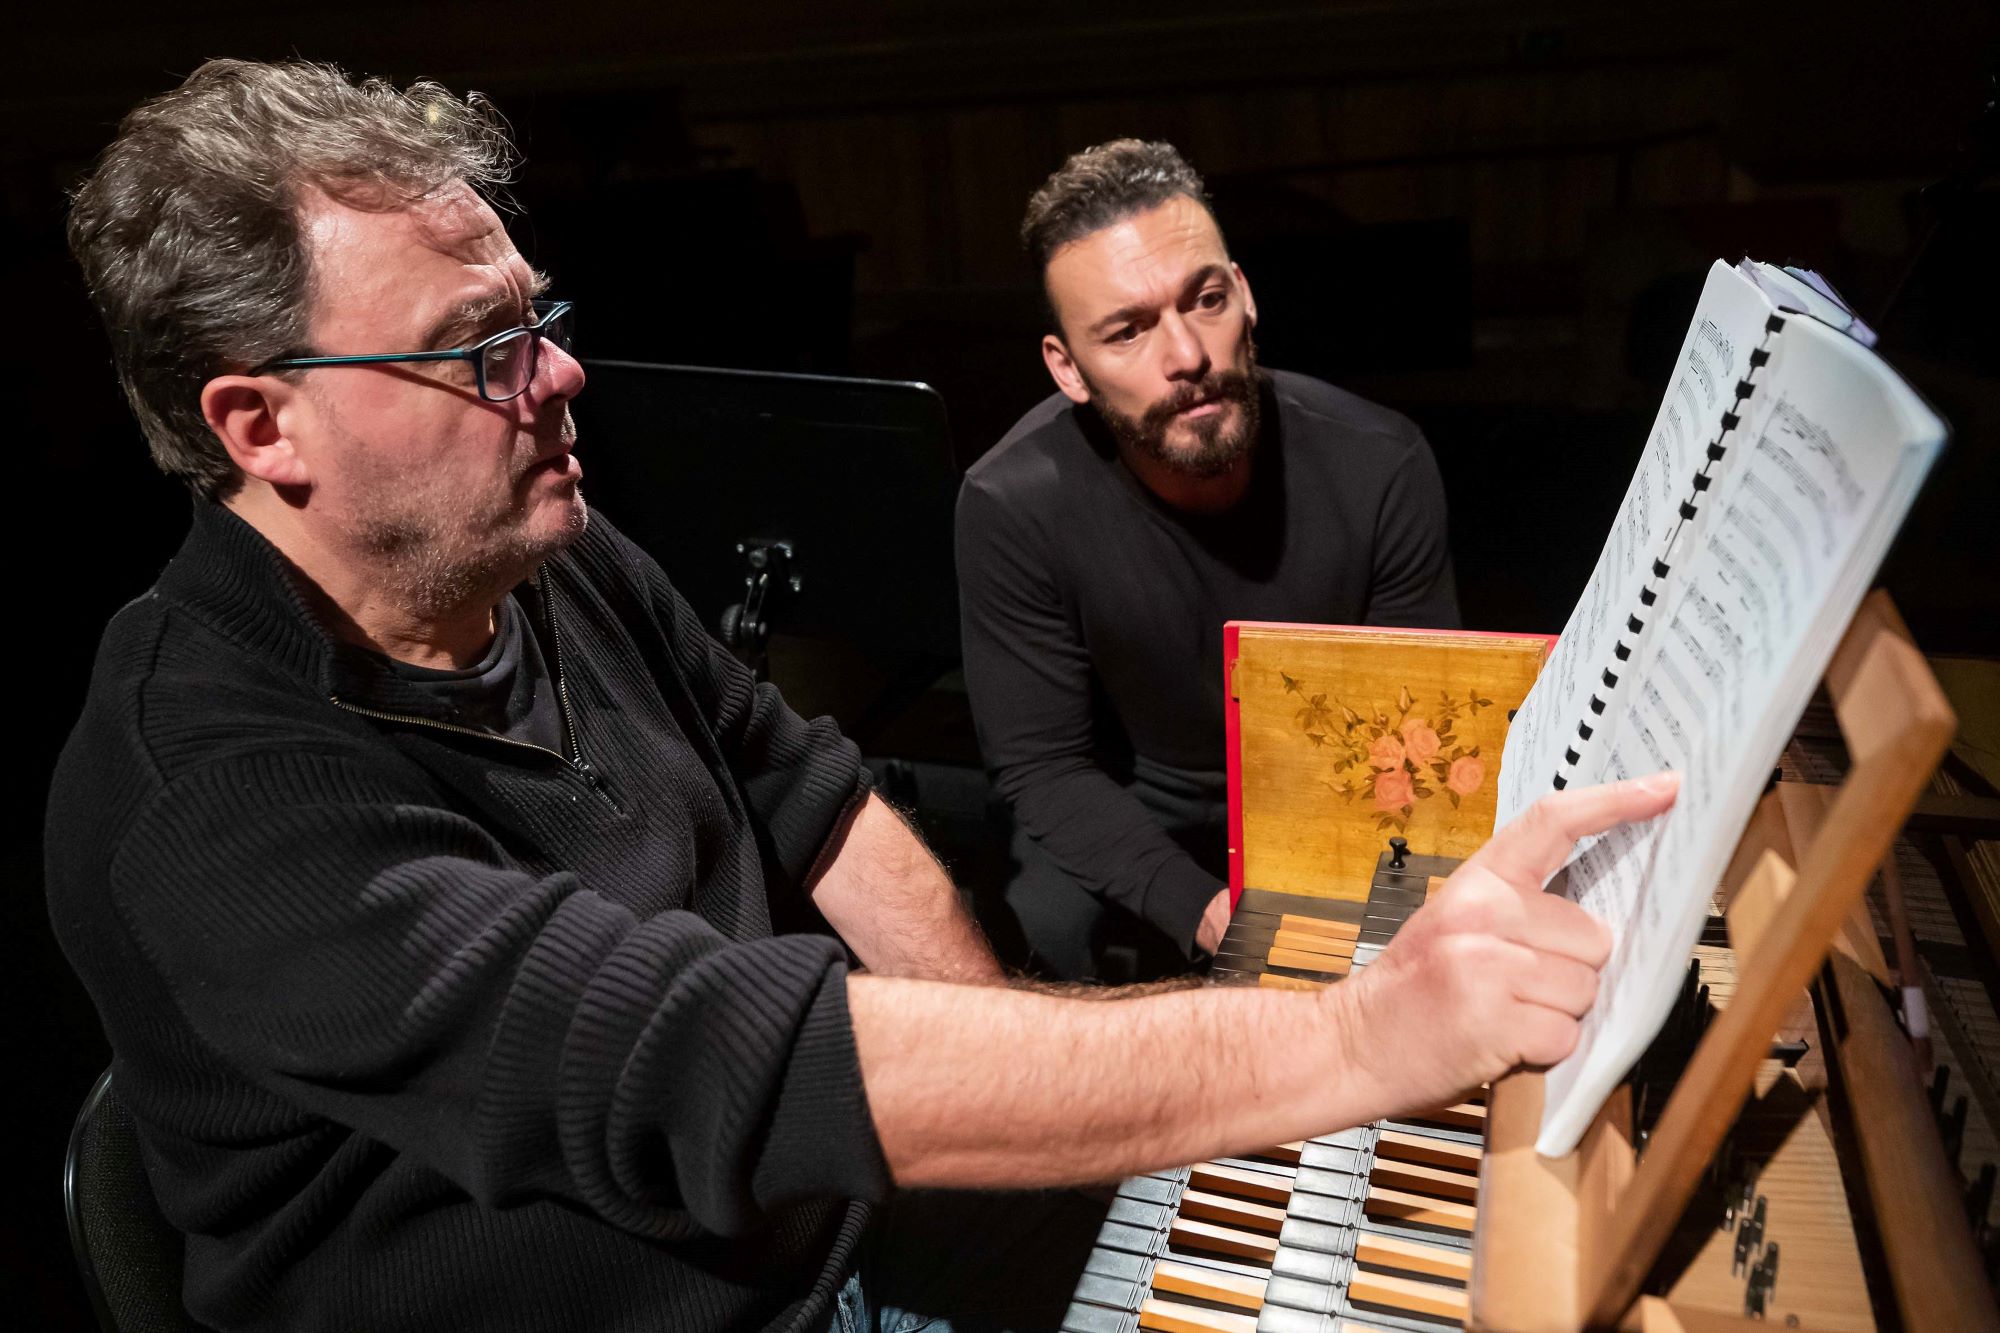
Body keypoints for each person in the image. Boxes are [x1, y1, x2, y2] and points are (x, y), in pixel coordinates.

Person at [48, 61, 1674, 1333]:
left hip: (838, 1226)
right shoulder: (219, 803)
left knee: (1370, 1211)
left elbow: (808, 796)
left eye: (539, 317)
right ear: (263, 426)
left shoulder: (552, 548)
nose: (560, 375)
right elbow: (720, 1066)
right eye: (478, 349)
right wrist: (1357, 1027)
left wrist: (1032, 1083)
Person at [957, 140, 1461, 981]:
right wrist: (1206, 910)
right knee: (1036, 936)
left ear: (1246, 294)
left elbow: (1420, 740)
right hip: (1130, 796)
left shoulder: (1382, 464)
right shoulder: (1011, 502)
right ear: (1067, 369)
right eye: (1127, 331)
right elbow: (1044, 764)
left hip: (1331, 788)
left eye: (1206, 300)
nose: (1188, 355)